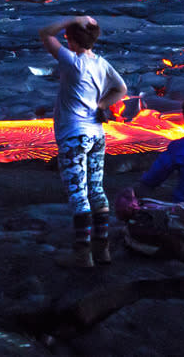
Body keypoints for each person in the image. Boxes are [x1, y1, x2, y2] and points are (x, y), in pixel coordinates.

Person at [40, 15, 127, 267]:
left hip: (73, 136)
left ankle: (83, 253)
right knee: (97, 189)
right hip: (97, 134)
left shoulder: (73, 62)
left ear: (71, 38)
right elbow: (121, 88)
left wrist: (70, 19)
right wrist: (101, 104)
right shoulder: (101, 63)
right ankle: (103, 249)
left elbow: (45, 33)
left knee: (78, 194)